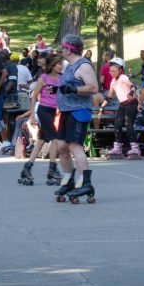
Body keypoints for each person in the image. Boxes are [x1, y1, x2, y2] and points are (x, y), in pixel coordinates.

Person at [53, 34, 99, 202]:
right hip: (66, 111)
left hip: (78, 111)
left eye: (63, 48)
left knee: (74, 146)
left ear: (70, 49)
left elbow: (93, 87)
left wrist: (74, 90)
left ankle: (85, 182)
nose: (61, 50)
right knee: (62, 147)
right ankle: (69, 179)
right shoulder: (69, 66)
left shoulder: (83, 65)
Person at [18, 53, 65, 185]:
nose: (61, 66)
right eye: (59, 64)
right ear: (52, 65)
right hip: (43, 111)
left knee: (40, 142)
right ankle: (52, 169)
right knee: (55, 139)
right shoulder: (43, 78)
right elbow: (34, 96)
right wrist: (32, 115)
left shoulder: (61, 78)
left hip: (54, 111)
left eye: (62, 64)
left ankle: (27, 168)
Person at [103, 57, 140, 159]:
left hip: (131, 103)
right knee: (117, 125)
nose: (111, 73)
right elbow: (109, 96)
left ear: (120, 70)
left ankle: (135, 148)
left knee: (129, 125)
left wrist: (131, 93)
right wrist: (101, 107)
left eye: (114, 71)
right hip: (122, 104)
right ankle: (117, 148)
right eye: (110, 71)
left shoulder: (123, 77)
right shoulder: (113, 81)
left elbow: (133, 86)